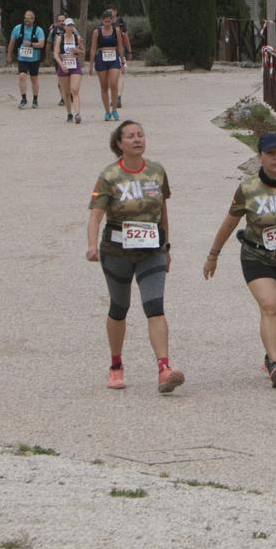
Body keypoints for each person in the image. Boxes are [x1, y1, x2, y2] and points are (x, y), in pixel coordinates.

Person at [201, 131, 276, 387]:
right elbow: (229, 223)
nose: (275, 158)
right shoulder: (248, 188)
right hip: (256, 255)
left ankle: (270, 356)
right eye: (269, 154)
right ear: (260, 157)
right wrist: (213, 254)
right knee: (269, 306)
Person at [85, 119, 184, 393]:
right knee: (120, 308)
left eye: (141, 135)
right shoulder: (109, 175)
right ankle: (116, 365)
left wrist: (167, 247)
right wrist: (92, 245)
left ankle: (164, 369)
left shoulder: (156, 171)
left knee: (155, 307)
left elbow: (162, 210)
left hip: (151, 249)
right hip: (116, 250)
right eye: (130, 136)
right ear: (119, 144)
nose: (137, 140)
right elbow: (95, 215)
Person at [92, 9, 125, 121]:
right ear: (102, 21)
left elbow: (120, 46)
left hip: (114, 58)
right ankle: (107, 111)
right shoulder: (97, 32)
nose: (107, 23)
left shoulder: (116, 31)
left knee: (114, 84)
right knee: (104, 86)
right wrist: (91, 64)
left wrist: (122, 61)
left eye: (109, 21)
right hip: (101, 58)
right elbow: (92, 49)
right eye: (105, 21)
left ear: (112, 21)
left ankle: (114, 109)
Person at [51, 16, 85, 122]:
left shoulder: (77, 38)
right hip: (64, 65)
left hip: (74, 65)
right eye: (68, 25)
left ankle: (77, 114)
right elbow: (55, 54)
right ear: (64, 27)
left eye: (72, 25)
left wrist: (77, 50)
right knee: (66, 93)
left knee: (74, 90)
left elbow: (83, 51)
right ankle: (69, 113)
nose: (70, 27)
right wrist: (61, 65)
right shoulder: (59, 38)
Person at [9, 9, 45, 109]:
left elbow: (42, 44)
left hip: (34, 59)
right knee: (22, 76)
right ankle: (23, 98)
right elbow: (12, 42)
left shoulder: (38, 30)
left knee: (34, 79)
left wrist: (31, 44)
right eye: (25, 18)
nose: (26, 20)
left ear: (33, 19)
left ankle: (35, 99)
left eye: (29, 18)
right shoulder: (18, 28)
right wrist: (9, 54)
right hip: (22, 58)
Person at [108, 6, 133, 111]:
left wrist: (129, 50)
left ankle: (117, 97)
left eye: (112, 10)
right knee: (111, 76)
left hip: (119, 52)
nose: (111, 12)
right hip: (109, 52)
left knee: (121, 74)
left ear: (116, 11)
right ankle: (115, 96)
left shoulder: (121, 22)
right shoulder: (105, 22)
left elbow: (125, 37)